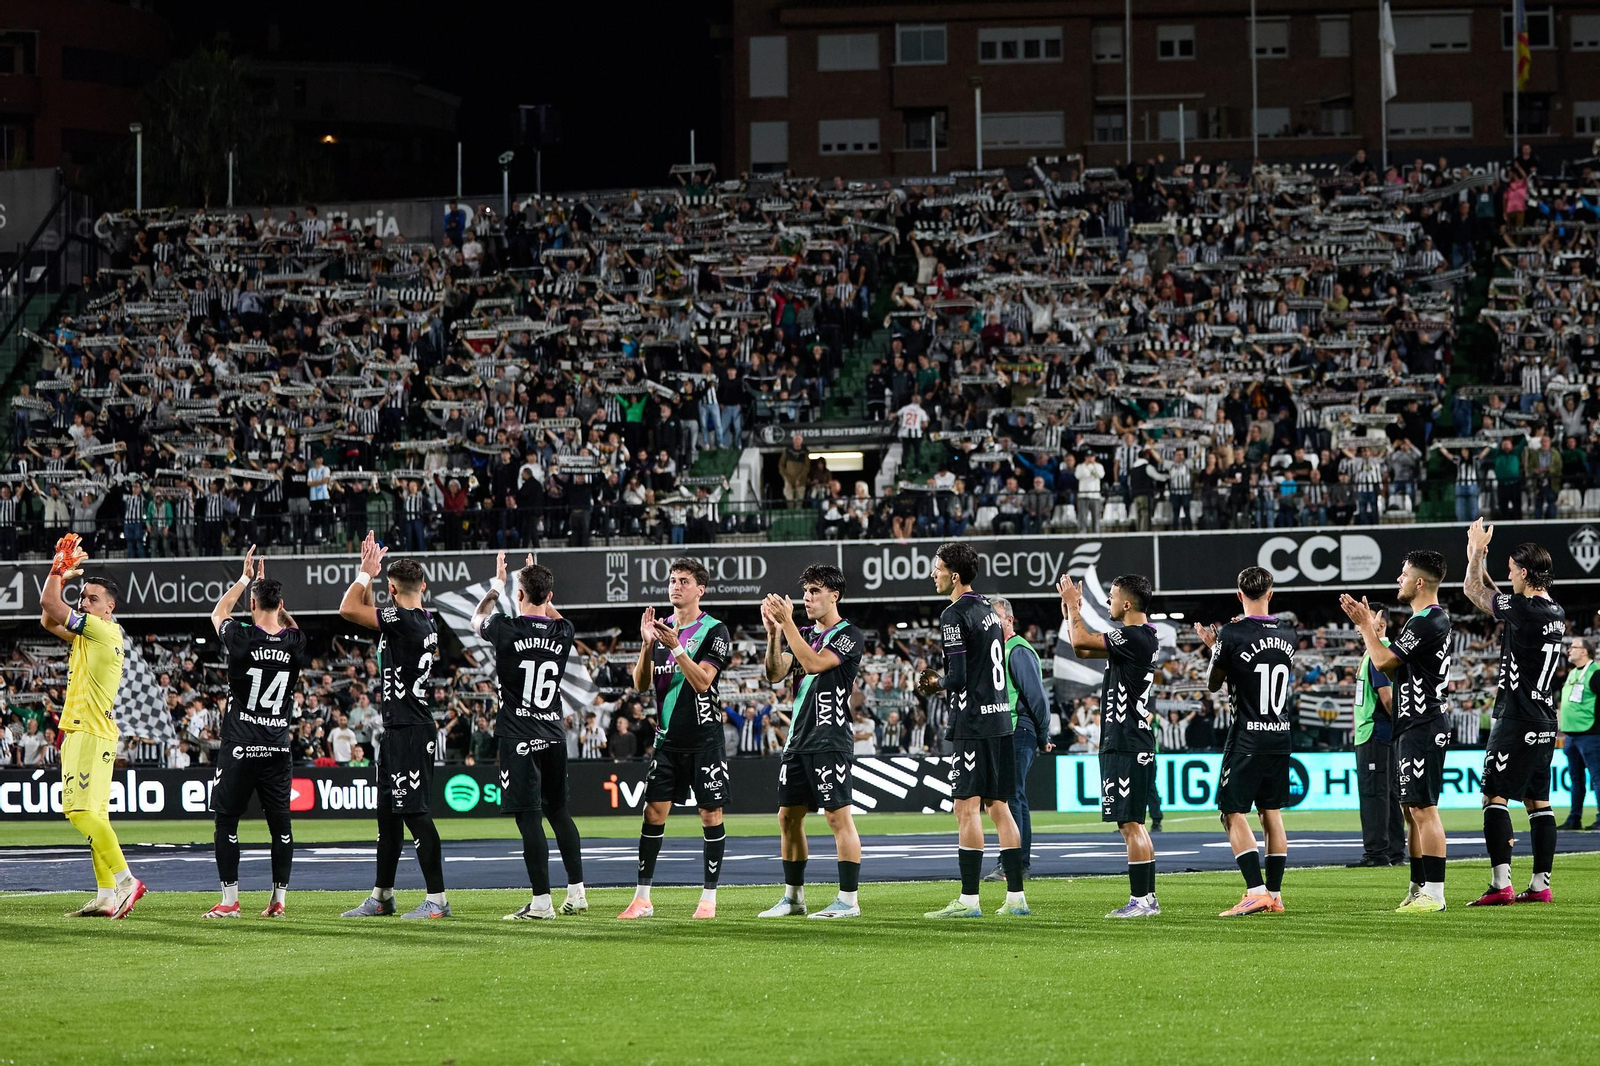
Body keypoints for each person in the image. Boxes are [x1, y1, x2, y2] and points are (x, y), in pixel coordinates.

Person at [337, 532, 449, 920]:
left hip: (411, 731)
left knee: (415, 814)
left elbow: (348, 608)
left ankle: (437, 900)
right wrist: (371, 577)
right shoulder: (419, 620)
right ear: (424, 586)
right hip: (398, 729)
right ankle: (382, 896)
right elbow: (372, 616)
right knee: (388, 816)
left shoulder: (404, 621)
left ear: (391, 589)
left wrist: (364, 572)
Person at [470, 551, 586, 920]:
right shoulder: (563, 631)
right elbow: (554, 614)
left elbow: (476, 619)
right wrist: (538, 586)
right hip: (553, 733)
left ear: (519, 596)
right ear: (550, 596)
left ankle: (541, 903)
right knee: (560, 813)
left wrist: (497, 585)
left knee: (529, 818)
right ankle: (577, 892)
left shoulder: (506, 626)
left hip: (519, 736)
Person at [916, 542, 1029, 919]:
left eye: (938, 568)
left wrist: (934, 683)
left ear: (955, 575)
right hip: (1001, 721)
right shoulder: (990, 612)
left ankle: (968, 901)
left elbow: (960, 677)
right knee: (1001, 808)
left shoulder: (954, 613)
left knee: (965, 809)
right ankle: (1016, 899)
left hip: (974, 721)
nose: (934, 573)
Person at [619, 558, 733, 920]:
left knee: (710, 813)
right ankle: (642, 899)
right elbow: (640, 685)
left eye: (684, 581)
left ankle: (709, 898)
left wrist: (677, 647)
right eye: (672, 580)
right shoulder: (661, 628)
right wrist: (646, 645)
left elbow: (703, 682)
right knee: (652, 812)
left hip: (704, 738)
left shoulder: (715, 630)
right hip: (667, 741)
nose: (675, 586)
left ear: (700, 589)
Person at [1339, 550, 1452, 913]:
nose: (1398, 580)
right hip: (1411, 724)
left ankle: (1434, 893)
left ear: (1420, 582)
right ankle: (1419, 887)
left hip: (1422, 723)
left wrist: (1365, 629)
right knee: (1411, 809)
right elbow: (1393, 670)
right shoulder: (1422, 621)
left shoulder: (1426, 622)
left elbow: (1384, 661)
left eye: (1403, 574)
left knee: (1424, 808)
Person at [43, 534, 147, 919]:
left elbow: (49, 604)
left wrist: (58, 568)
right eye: (83, 598)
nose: (84, 603)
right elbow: (49, 616)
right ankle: (106, 894)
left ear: (110, 608)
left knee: (79, 812)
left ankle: (126, 881)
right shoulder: (94, 632)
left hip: (88, 730)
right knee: (95, 816)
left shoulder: (101, 630)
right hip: (85, 730)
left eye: (93, 599)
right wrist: (65, 578)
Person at [203, 546, 309, 919]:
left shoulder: (242, 637)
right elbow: (292, 628)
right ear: (280, 605)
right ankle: (278, 901)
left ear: (252, 603)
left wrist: (247, 578)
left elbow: (219, 612)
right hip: (278, 747)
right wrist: (277, 605)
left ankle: (230, 901)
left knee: (226, 822)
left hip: (241, 746)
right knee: (280, 825)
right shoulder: (295, 643)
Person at [756, 563, 866, 919]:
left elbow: (815, 663)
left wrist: (787, 624)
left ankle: (848, 900)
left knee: (837, 817)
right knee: (787, 817)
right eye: (805, 591)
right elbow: (774, 673)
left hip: (829, 737)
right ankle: (793, 898)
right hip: (798, 739)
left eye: (815, 591)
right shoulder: (803, 632)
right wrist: (774, 633)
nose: (807, 597)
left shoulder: (849, 634)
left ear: (834, 596)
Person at [1461, 523, 1563, 906]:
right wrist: (1484, 561)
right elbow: (1495, 595)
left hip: (1517, 717)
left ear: (1523, 572)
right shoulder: (1553, 609)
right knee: (1538, 801)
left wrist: (1473, 552)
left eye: (1509, 568)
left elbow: (1474, 591)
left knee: (1494, 796)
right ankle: (1540, 885)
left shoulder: (1522, 608)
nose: (1506, 574)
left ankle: (1501, 884)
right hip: (1543, 718)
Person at [1060, 570, 1160, 918]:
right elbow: (1083, 647)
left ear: (1127, 603)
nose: (1108, 601)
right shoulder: (1141, 638)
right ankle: (1147, 898)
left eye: (1113, 596)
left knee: (1129, 823)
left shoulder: (1133, 637)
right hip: (1134, 739)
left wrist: (1074, 606)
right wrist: (1069, 607)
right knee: (1134, 822)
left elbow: (1080, 640)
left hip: (1126, 740)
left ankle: (1141, 901)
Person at [1195, 566, 1292, 917]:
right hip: (1280, 733)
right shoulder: (1289, 632)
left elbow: (1212, 683)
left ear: (1239, 595)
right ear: (1271, 592)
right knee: (1272, 812)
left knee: (1231, 811)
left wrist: (1216, 648)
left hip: (1247, 736)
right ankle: (1276, 895)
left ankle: (1255, 890)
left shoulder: (1232, 633)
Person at [983, 597, 1051, 882]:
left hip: (1019, 729)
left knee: (1012, 797)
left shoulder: (1017, 649)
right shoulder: (1000, 651)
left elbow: (1036, 696)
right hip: (1006, 730)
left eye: (996, 619)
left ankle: (1015, 863)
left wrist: (1043, 733)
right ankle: (1013, 861)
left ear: (1009, 621)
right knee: (1007, 798)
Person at [1346, 603, 1405, 869]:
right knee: (1389, 793)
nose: (1359, 621)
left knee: (1374, 794)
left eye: (1365, 615)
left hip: (1374, 734)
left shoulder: (1377, 654)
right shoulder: (1385, 652)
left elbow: (1388, 699)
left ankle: (1376, 853)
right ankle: (1393, 851)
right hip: (1382, 734)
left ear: (1380, 620)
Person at [1558, 638, 1600, 830]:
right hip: (1572, 735)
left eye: (1573, 647)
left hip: (1591, 734)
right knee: (1576, 779)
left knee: (1597, 778)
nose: (1569, 650)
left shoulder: (1595, 673)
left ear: (1584, 651)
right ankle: (1574, 818)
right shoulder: (1573, 673)